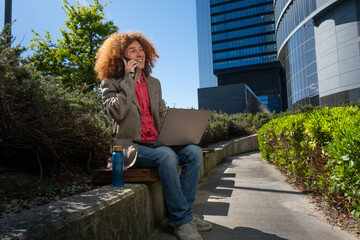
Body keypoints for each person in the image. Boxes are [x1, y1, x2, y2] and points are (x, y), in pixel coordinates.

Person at [94, 31, 212, 240]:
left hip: (157, 143)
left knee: (193, 151)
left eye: (141, 49)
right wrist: (129, 80)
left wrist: (174, 133)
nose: (139, 54)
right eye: (132, 50)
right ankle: (182, 222)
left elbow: (159, 115)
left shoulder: (154, 83)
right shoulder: (110, 82)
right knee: (167, 156)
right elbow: (116, 112)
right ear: (120, 56)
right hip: (130, 147)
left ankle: (184, 214)